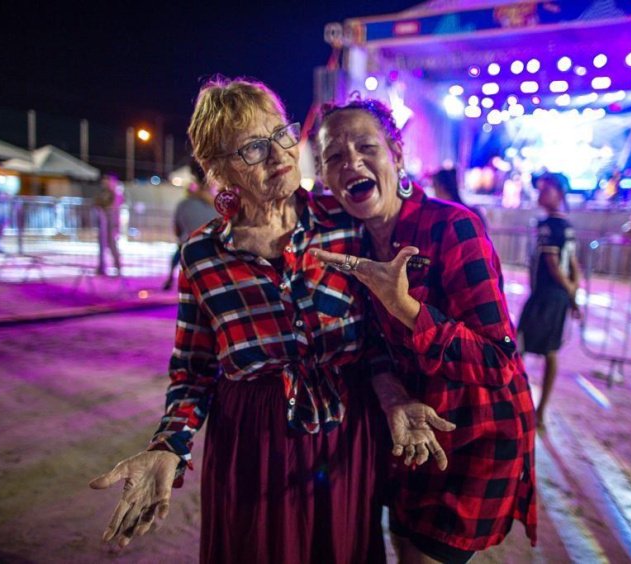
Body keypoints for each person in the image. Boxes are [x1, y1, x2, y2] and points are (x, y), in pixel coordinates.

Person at [89, 78, 451, 564]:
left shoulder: (342, 225)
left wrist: (394, 397)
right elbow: (193, 372)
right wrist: (169, 446)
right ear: (219, 170)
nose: (280, 153)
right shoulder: (202, 254)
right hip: (253, 446)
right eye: (253, 148)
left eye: (282, 134)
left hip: (345, 437)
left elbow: (372, 340)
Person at [311, 98, 536, 563]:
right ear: (326, 177)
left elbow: (499, 361)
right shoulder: (351, 243)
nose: (351, 161)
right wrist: (392, 395)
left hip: (473, 441)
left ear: (395, 154)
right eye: (334, 156)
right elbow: (371, 346)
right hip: (409, 438)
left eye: (366, 146)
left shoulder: (454, 228)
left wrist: (408, 308)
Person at [516, 173, 582, 431]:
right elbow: (574, 265)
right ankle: (539, 410)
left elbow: (555, 266)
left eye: (546, 190)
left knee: (519, 346)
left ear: (559, 193)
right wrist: (573, 293)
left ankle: (518, 405)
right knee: (548, 351)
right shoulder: (567, 225)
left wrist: (569, 291)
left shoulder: (548, 225)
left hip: (545, 296)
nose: (540, 195)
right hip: (558, 296)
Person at [161, 175, 218, 290]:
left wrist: (181, 238)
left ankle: (170, 278)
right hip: (210, 246)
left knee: (177, 258)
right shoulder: (215, 207)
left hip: (187, 243)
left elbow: (177, 228)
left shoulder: (184, 205)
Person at [94, 174, 123, 276]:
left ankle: (118, 266)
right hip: (103, 223)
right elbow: (97, 203)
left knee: (112, 245)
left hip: (111, 223)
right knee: (102, 246)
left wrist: (116, 225)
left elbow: (115, 208)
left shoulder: (114, 193)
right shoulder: (102, 192)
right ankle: (101, 267)